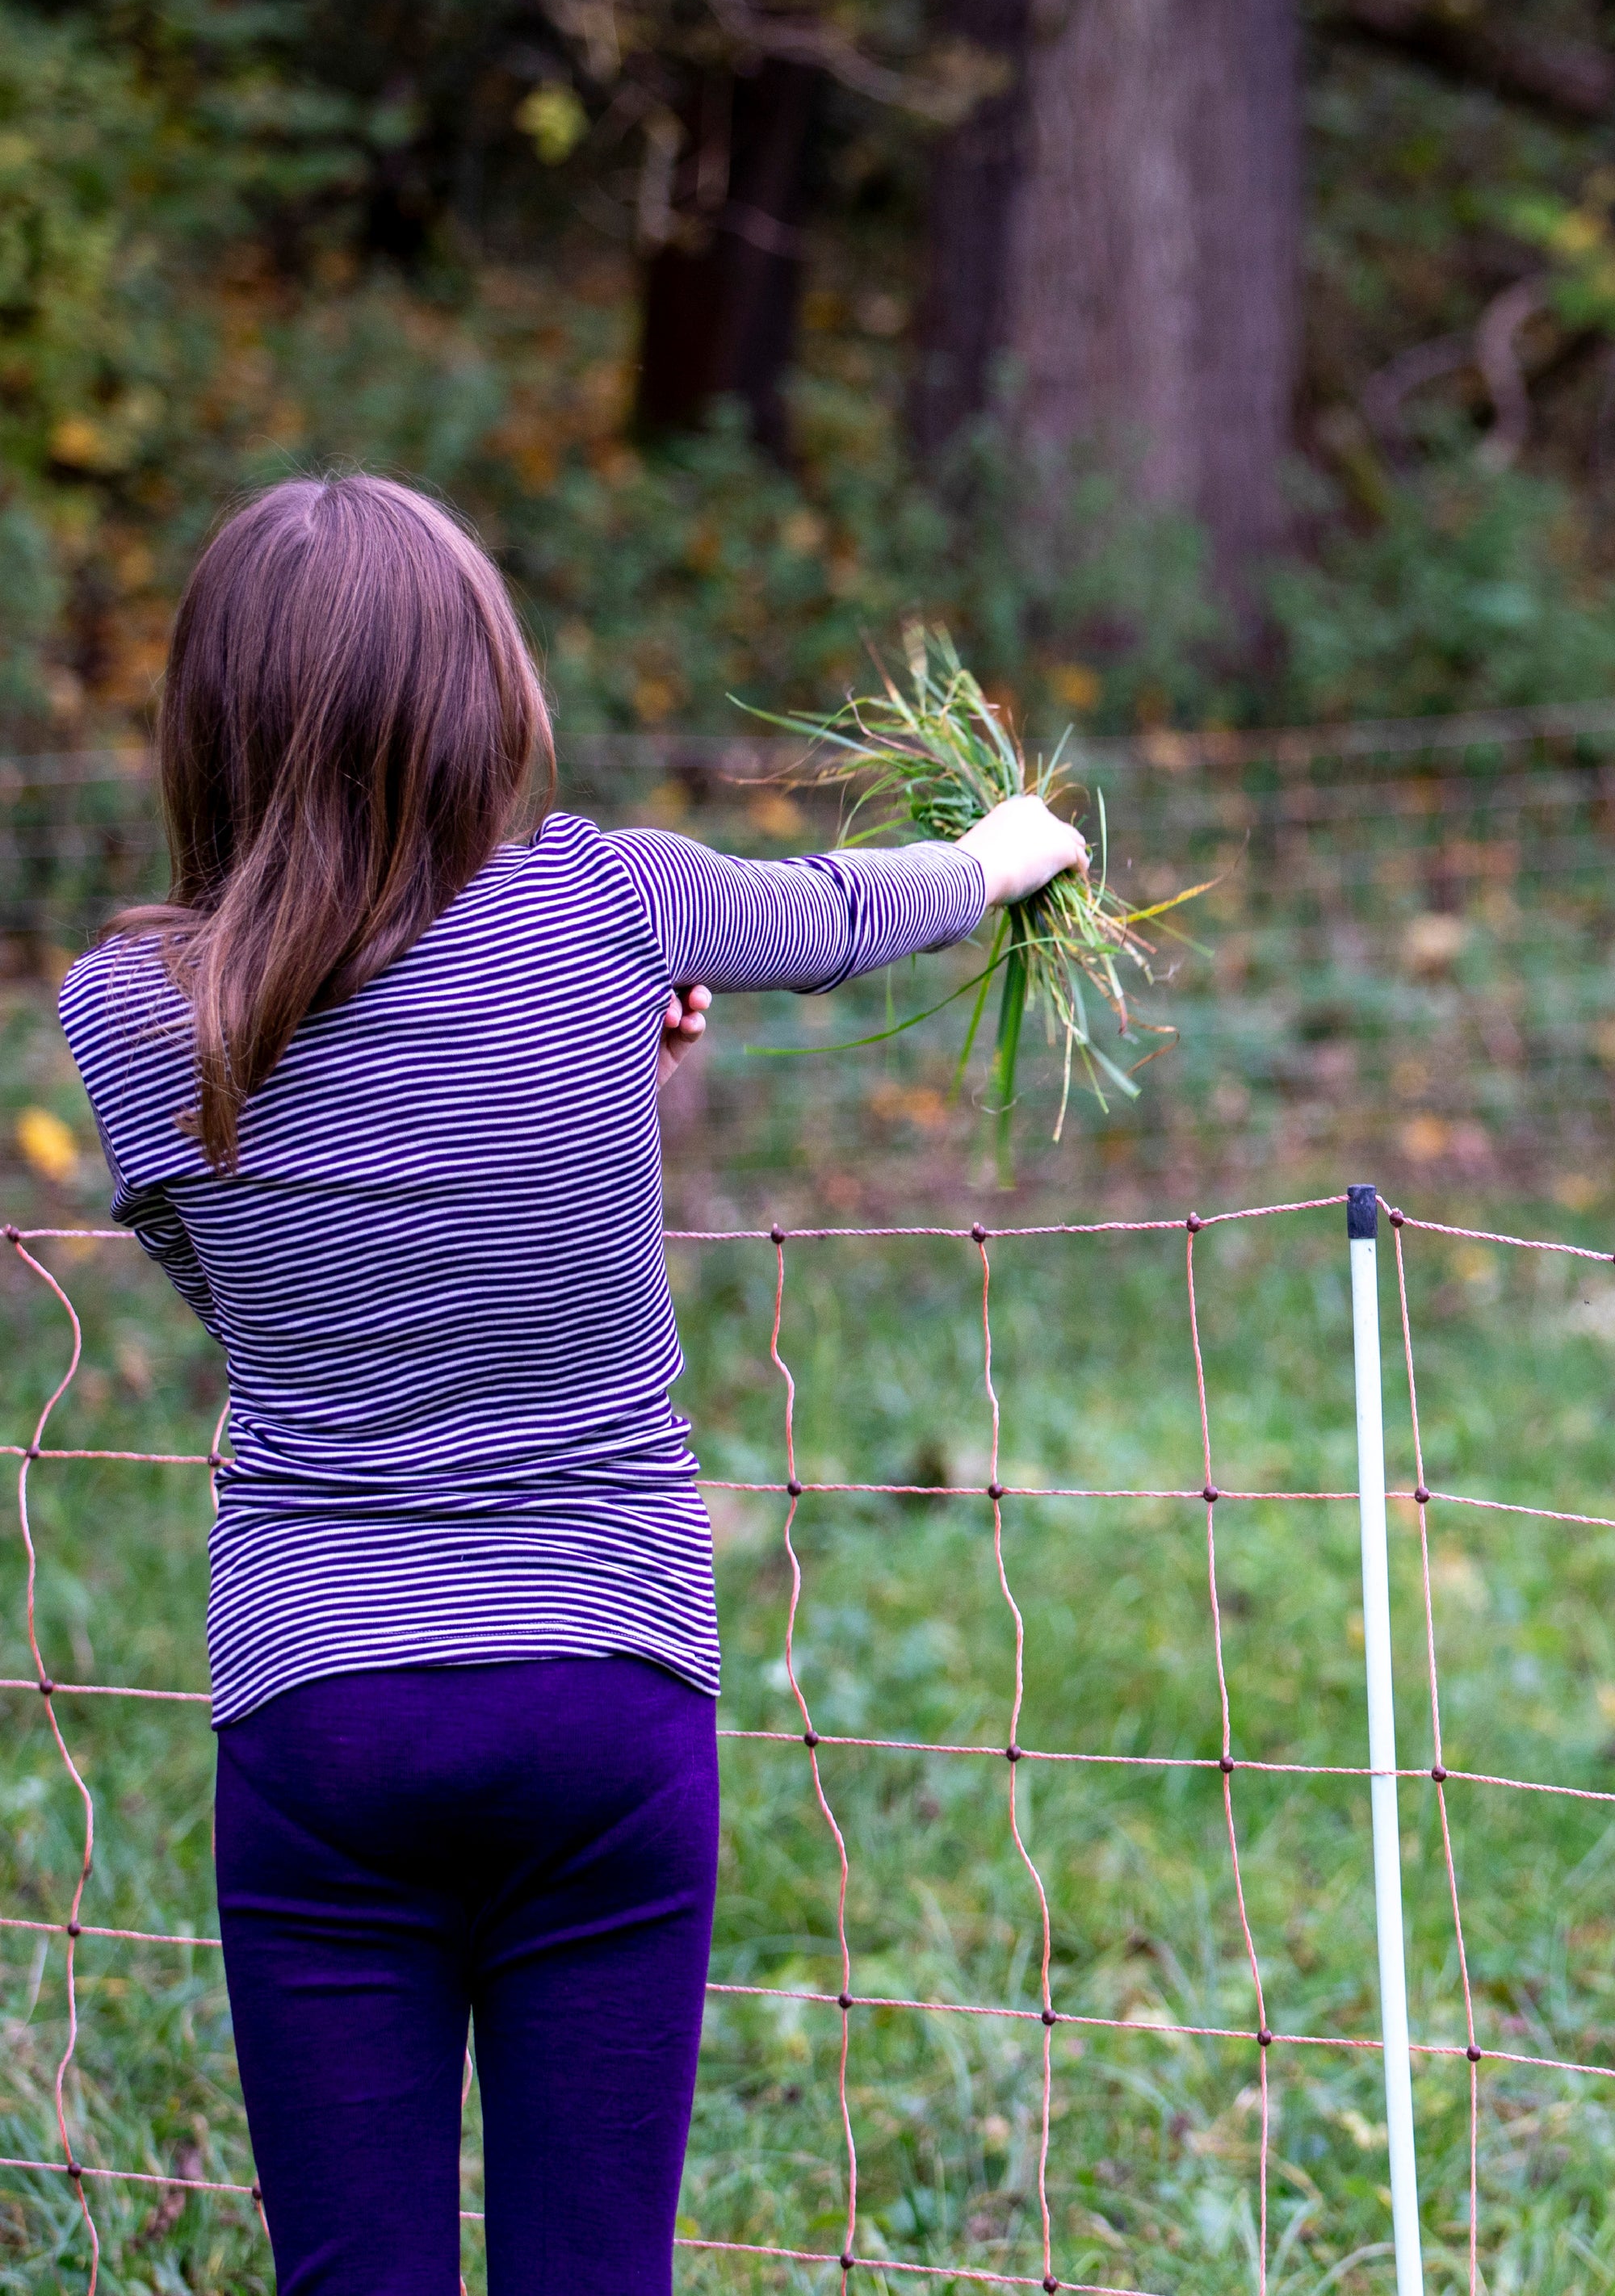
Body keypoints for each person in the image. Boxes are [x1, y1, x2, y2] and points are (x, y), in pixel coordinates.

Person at [57, 472, 1087, 2296]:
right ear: (485, 698)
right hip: (601, 1697)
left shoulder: (127, 1014)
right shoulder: (612, 908)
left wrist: (581, 1097)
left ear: (205, 723)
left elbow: (268, 1313)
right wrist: (1008, 850)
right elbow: (843, 907)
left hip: (323, 1713)